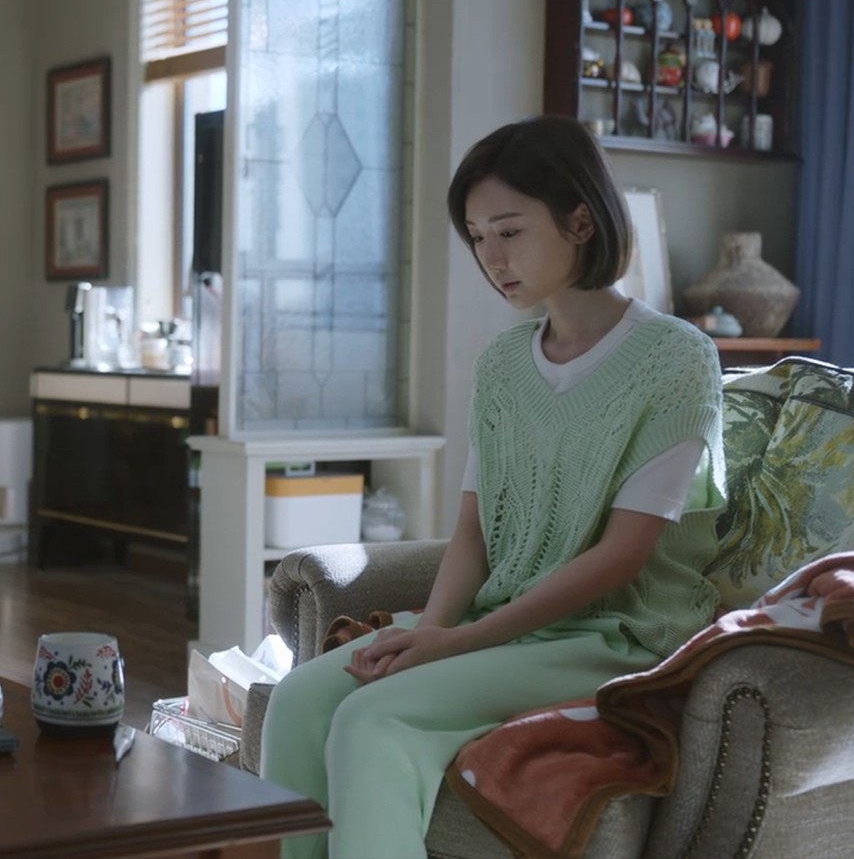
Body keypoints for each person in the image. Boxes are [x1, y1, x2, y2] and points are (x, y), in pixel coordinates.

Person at [257, 115, 727, 859]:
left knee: (373, 719)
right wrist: (430, 631)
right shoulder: (504, 365)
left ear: (580, 222)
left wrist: (460, 642)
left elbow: (622, 557)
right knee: (298, 700)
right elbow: (474, 534)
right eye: (478, 238)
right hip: (500, 624)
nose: (492, 258)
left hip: (617, 639)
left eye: (509, 231)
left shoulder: (676, 359)